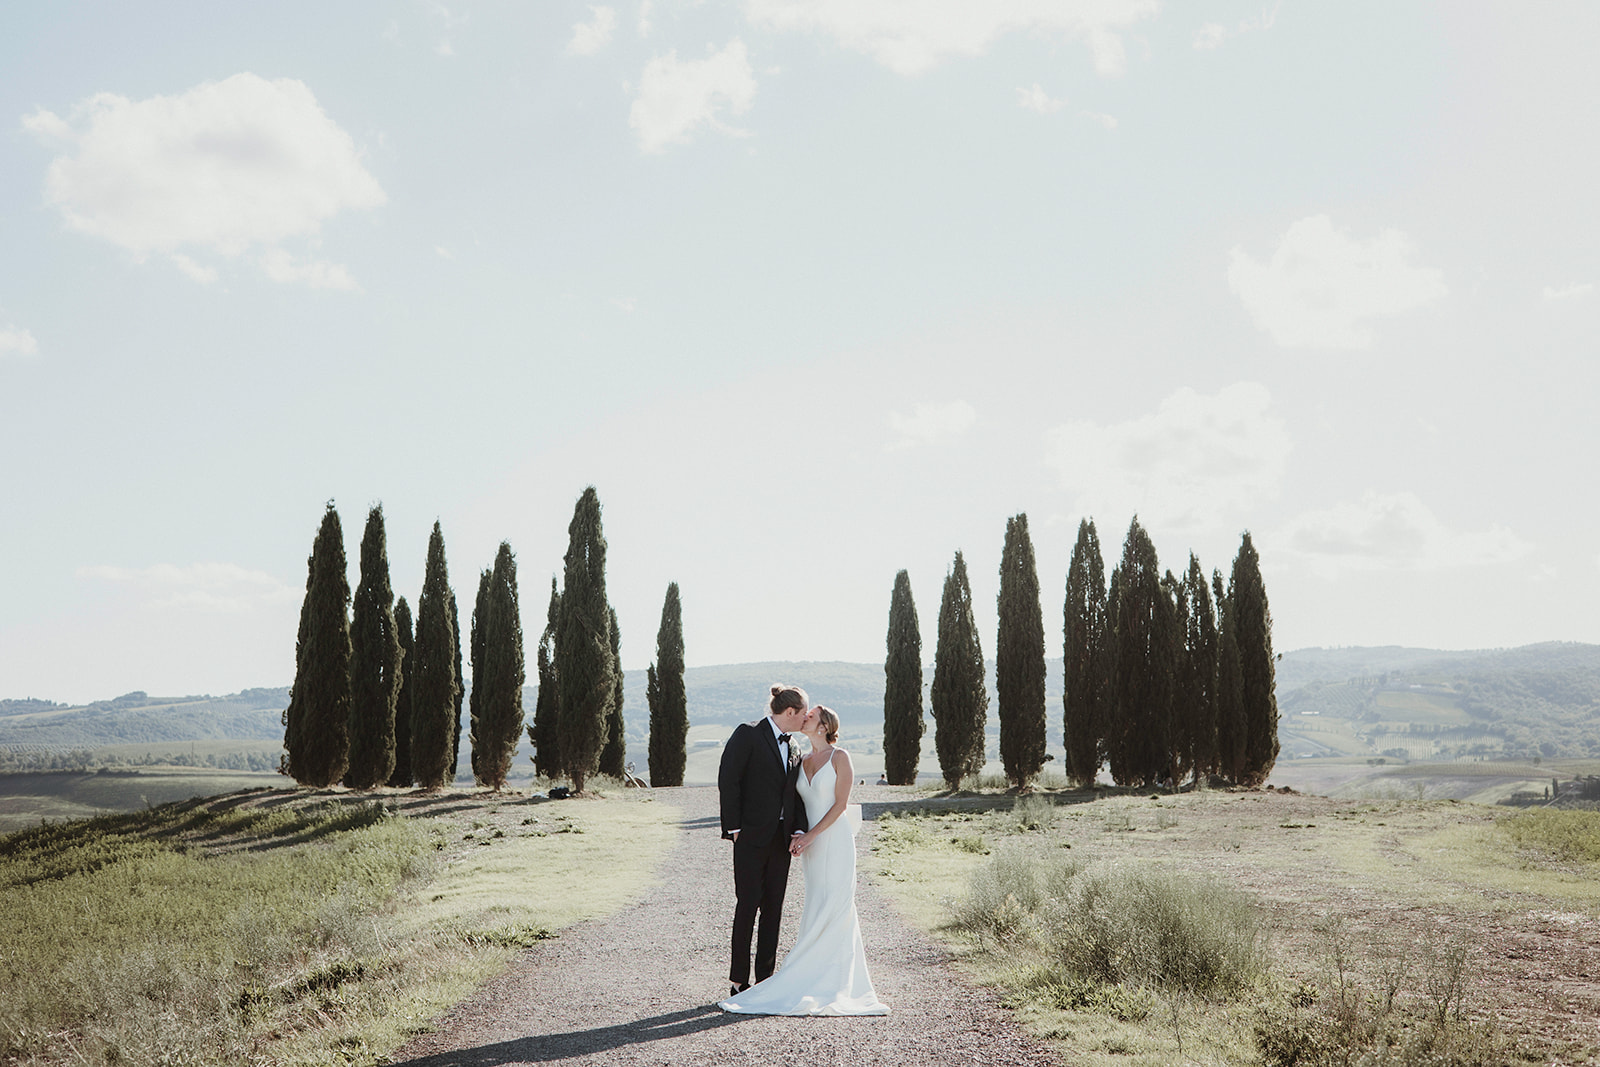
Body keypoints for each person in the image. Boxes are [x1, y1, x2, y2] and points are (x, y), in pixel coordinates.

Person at [720, 705, 890, 1016]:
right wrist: (799, 833)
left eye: (810, 716)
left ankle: (834, 980)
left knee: (835, 906)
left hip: (834, 842)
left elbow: (840, 805)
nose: (804, 719)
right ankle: (801, 974)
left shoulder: (840, 757)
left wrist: (809, 835)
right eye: (804, 713)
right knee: (815, 905)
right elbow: (792, 800)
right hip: (809, 847)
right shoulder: (800, 757)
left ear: (824, 725)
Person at [718, 684, 812, 997]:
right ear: (789, 712)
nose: (806, 718)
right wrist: (734, 828)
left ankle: (765, 981)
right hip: (749, 837)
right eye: (803, 713)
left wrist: (799, 828)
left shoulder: (795, 746)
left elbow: (794, 796)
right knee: (747, 906)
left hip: (781, 841)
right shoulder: (748, 734)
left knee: (774, 909)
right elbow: (728, 779)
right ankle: (738, 982)